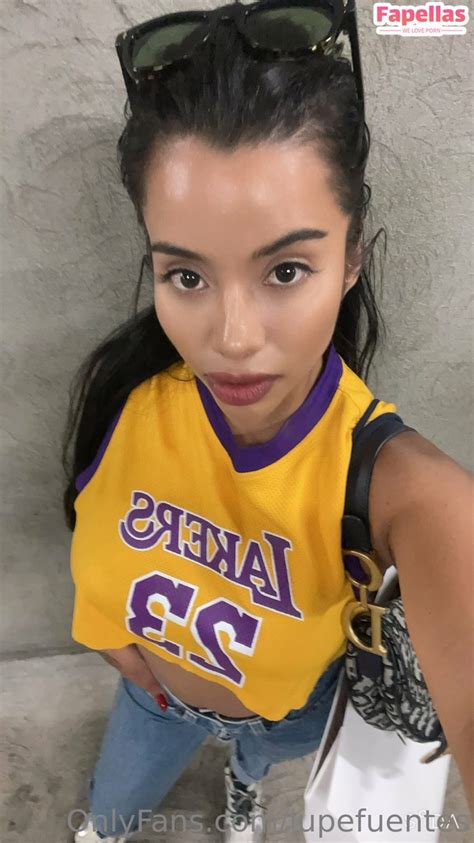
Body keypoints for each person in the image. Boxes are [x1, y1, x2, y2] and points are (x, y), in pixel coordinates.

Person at [62, 2, 473, 841]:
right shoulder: (133, 397)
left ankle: (244, 788)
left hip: (288, 713)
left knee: (255, 761)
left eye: (285, 269)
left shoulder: (399, 486)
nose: (233, 338)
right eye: (186, 277)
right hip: (151, 700)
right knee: (109, 810)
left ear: (351, 258)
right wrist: (125, 656)